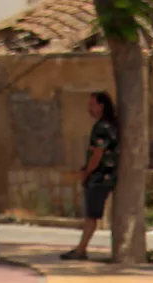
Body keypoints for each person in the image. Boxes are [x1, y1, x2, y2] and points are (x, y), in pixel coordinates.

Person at [62, 91, 119, 261]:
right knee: (91, 215)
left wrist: (87, 172)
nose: (89, 108)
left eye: (92, 104)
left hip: (99, 176)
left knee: (91, 216)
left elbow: (97, 154)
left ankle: (81, 249)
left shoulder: (102, 127)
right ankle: (81, 248)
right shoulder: (112, 125)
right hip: (107, 175)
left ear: (101, 106)